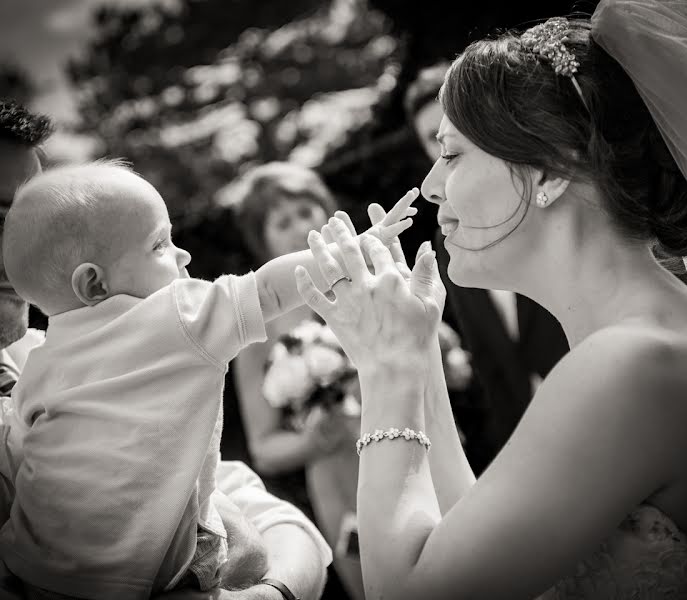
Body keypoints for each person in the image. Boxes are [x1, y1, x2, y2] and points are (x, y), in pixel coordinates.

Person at [292, 1, 687, 597]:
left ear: (549, 172)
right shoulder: (646, 343)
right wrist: (418, 353)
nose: (430, 186)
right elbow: (465, 549)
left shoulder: (634, 366)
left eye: (451, 153)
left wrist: (388, 370)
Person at [0, 158, 414, 598]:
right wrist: (350, 252)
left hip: (40, 571)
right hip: (149, 572)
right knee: (248, 554)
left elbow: (31, 452)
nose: (183, 255)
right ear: (95, 286)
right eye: (160, 244)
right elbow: (270, 289)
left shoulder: (40, 361)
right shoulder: (172, 315)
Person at [405, 63, 569, 468]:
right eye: (432, 140)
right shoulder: (447, 246)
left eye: (452, 142)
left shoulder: (554, 210)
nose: (437, 161)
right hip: (524, 440)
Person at [228, 162, 364, 600]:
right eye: (282, 222)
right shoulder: (257, 333)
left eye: (307, 211)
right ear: (263, 242)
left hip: (420, 441)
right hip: (341, 480)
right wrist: (316, 439)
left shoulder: (376, 276)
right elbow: (265, 449)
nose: (300, 227)